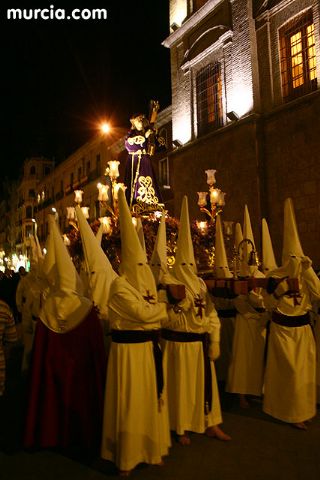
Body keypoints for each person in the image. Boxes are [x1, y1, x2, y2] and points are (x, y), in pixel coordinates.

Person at [100, 188, 171, 475]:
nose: (143, 267)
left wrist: (152, 316)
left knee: (149, 402)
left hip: (146, 352)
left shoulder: (144, 284)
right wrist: (163, 309)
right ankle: (126, 456)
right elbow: (143, 313)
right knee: (130, 403)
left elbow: (147, 315)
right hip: (128, 355)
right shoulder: (119, 287)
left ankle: (151, 448)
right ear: (127, 262)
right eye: (138, 262)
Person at [24, 215, 107, 455]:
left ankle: (50, 434)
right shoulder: (85, 307)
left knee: (50, 399)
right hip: (80, 371)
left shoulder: (48, 307)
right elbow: (95, 347)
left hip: (52, 370)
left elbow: (41, 347)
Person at [162, 196, 231, 445]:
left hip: (200, 345)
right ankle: (181, 426)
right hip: (179, 346)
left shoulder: (200, 283)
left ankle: (211, 423)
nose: (190, 265)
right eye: (186, 261)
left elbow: (211, 312)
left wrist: (214, 340)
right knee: (181, 388)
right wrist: (179, 309)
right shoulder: (169, 283)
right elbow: (163, 317)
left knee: (206, 387)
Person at [263, 198, 320, 429]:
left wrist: (308, 272)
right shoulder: (275, 275)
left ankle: (303, 412)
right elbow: (267, 304)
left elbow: (318, 293)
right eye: (292, 258)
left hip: (303, 330)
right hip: (283, 331)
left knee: (304, 372)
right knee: (290, 373)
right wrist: (280, 290)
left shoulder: (306, 275)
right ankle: (286, 410)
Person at [226, 206, 268, 408]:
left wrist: (254, 296)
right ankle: (241, 394)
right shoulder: (238, 277)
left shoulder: (261, 277)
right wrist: (246, 297)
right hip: (244, 322)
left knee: (256, 359)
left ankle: (256, 390)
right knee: (242, 359)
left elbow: (263, 301)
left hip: (259, 323)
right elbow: (237, 301)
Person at [124, 112, 162, 209]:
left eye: (141, 119)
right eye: (138, 120)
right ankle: (137, 202)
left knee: (149, 179)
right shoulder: (131, 135)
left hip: (146, 161)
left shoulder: (147, 132)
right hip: (136, 161)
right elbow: (129, 145)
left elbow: (154, 147)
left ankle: (151, 203)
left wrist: (155, 138)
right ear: (134, 123)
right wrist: (145, 136)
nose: (140, 121)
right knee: (137, 182)